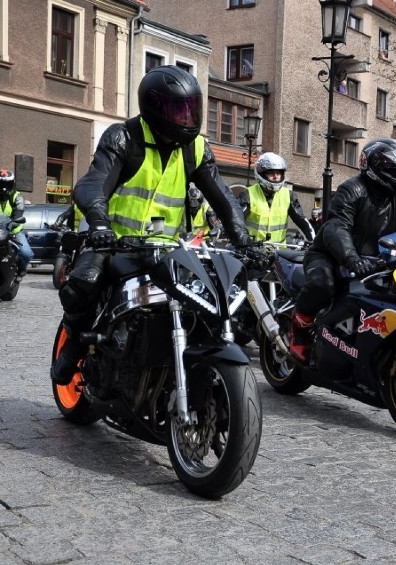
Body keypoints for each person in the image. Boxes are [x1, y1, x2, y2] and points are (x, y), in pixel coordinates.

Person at [51, 65, 251, 385]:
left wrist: (243, 238)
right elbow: (93, 184)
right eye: (179, 110)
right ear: (154, 107)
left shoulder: (195, 148)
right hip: (114, 241)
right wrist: (100, 225)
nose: (187, 118)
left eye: (191, 109)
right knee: (84, 283)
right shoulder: (124, 137)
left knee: (212, 287)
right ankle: (75, 341)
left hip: (168, 247)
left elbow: (223, 196)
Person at [288, 138, 396, 362]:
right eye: (393, 170)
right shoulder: (352, 190)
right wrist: (351, 258)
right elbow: (337, 227)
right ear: (375, 169)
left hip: (374, 260)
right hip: (330, 255)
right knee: (324, 285)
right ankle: (299, 329)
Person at [238, 152, 313, 245]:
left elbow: (302, 220)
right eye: (271, 173)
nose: (275, 176)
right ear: (262, 173)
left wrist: (315, 242)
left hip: (280, 253)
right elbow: (236, 220)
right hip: (253, 252)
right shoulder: (248, 195)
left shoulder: (288, 195)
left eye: (278, 173)